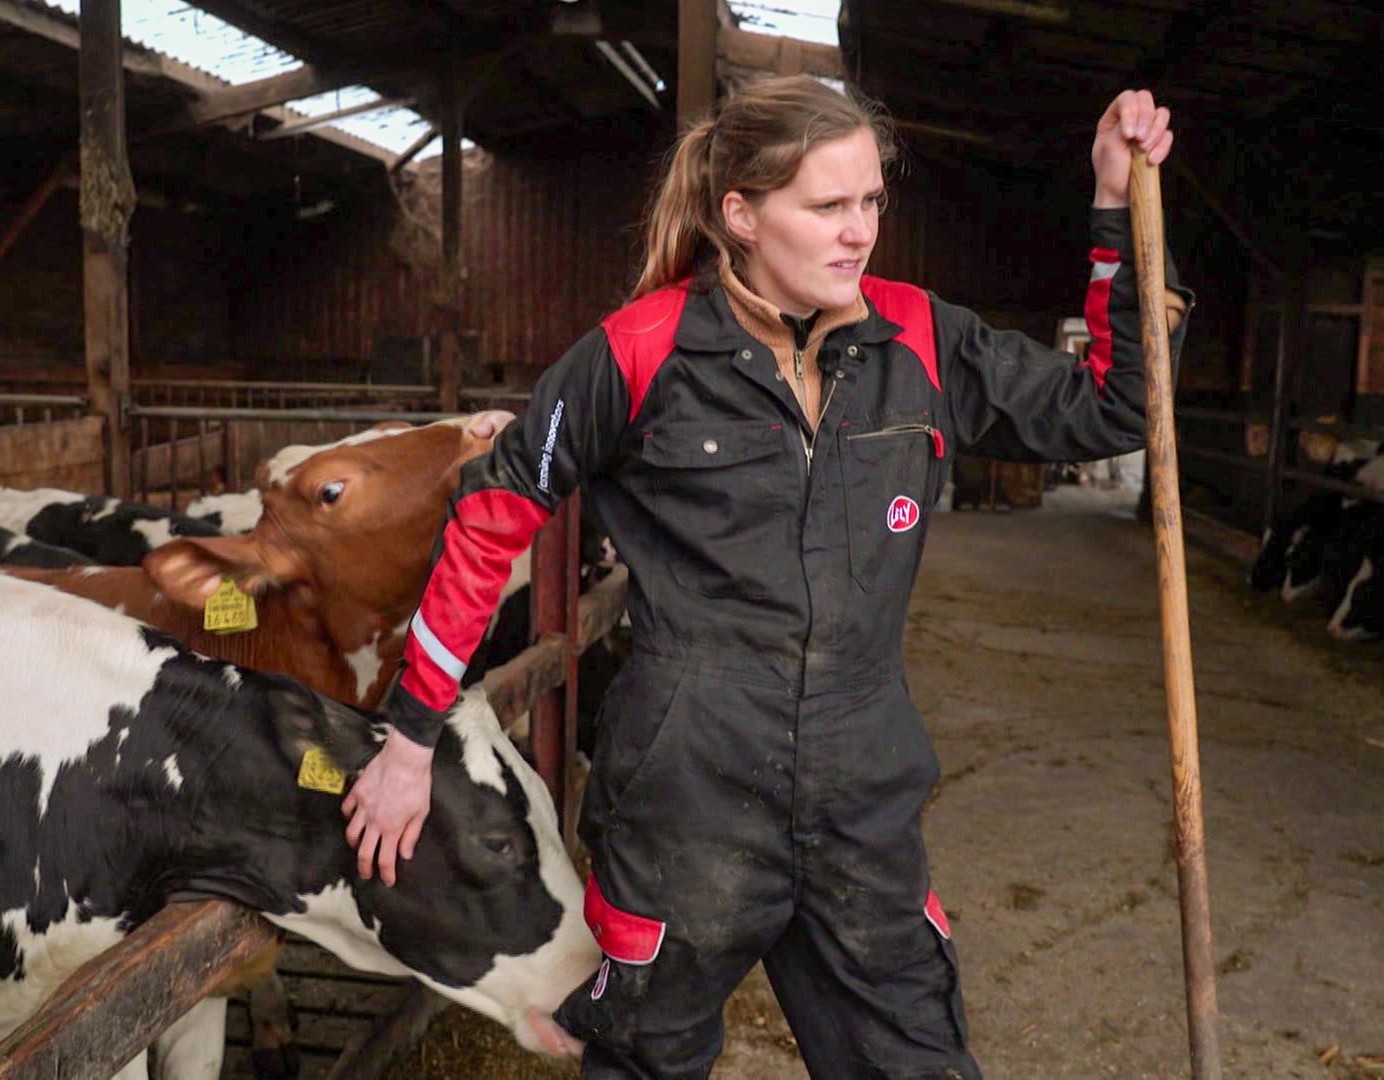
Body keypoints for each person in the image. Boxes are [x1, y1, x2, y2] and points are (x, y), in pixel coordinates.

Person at [343, 76, 1192, 1076]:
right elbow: (493, 517)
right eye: (827, 206)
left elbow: (1118, 407)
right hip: (685, 803)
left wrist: (1111, 206)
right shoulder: (638, 352)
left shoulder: (920, 338)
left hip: (862, 800)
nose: (859, 232)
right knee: (648, 1061)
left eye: (872, 201)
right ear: (739, 215)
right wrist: (409, 737)